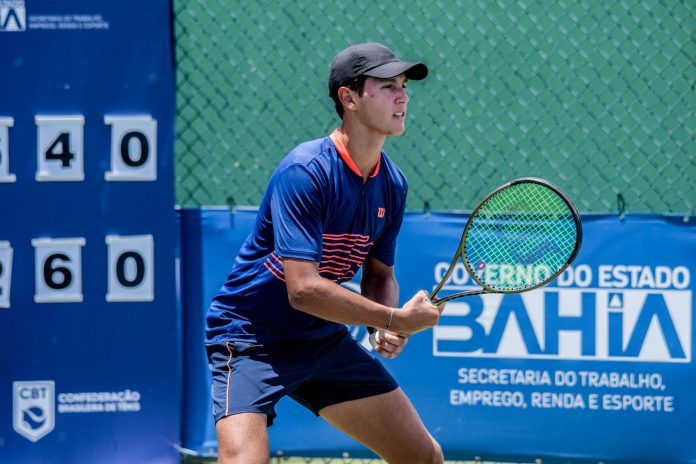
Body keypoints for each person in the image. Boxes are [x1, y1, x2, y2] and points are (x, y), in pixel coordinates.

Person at [206, 42, 445, 463]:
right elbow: (302, 289)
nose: (403, 96)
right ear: (348, 98)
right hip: (251, 338)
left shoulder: (393, 185)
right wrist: (394, 318)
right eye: (388, 86)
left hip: (320, 338)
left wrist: (381, 327)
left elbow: (379, 275)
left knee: (423, 458)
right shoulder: (305, 171)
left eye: (404, 86)